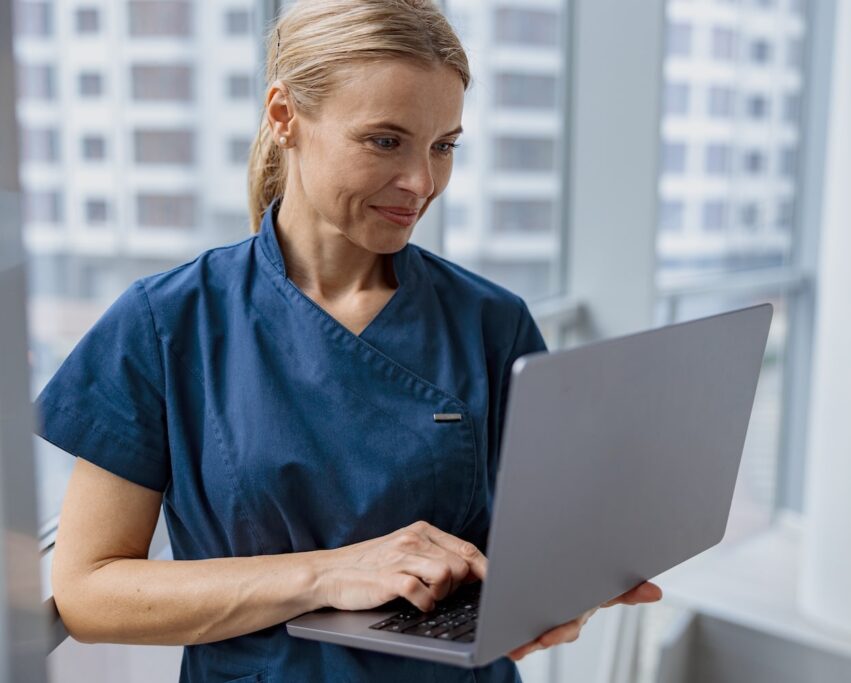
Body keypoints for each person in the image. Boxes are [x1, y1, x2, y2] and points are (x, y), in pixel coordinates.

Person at [35, 1, 661, 681]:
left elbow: (545, 538)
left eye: (443, 145)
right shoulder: (164, 323)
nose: (423, 183)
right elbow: (89, 592)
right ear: (284, 118)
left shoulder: (492, 322)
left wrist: (561, 590)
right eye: (386, 140)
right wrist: (332, 573)